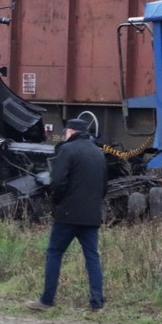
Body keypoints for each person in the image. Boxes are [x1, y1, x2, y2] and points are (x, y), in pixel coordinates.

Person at [27, 118, 108, 312]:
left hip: (68, 214)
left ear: (70, 132)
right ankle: (97, 303)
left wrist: (57, 202)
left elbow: (57, 182)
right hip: (91, 215)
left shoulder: (67, 150)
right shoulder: (98, 153)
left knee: (54, 253)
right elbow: (104, 186)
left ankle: (46, 301)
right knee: (92, 257)